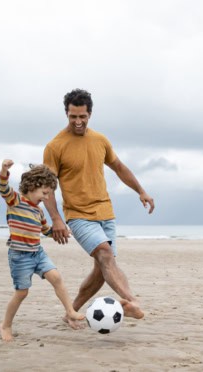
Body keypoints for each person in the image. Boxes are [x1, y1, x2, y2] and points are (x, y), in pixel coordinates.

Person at [43, 89, 154, 327]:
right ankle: (132, 301)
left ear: (90, 114)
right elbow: (47, 188)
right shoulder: (55, 146)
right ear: (66, 114)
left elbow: (119, 167)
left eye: (82, 116)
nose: (78, 121)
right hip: (78, 214)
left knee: (101, 269)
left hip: (105, 212)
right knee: (105, 254)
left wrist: (141, 191)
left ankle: (70, 312)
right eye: (73, 116)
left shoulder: (100, 140)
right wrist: (56, 219)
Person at [0, 159, 85, 342]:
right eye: (44, 193)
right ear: (32, 186)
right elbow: (3, 188)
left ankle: (70, 311)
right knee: (22, 293)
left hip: (37, 253)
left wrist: (60, 232)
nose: (46, 198)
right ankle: (5, 325)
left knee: (56, 277)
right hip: (20, 256)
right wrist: (4, 170)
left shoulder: (38, 211)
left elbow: (46, 230)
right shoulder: (15, 200)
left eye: (49, 194)